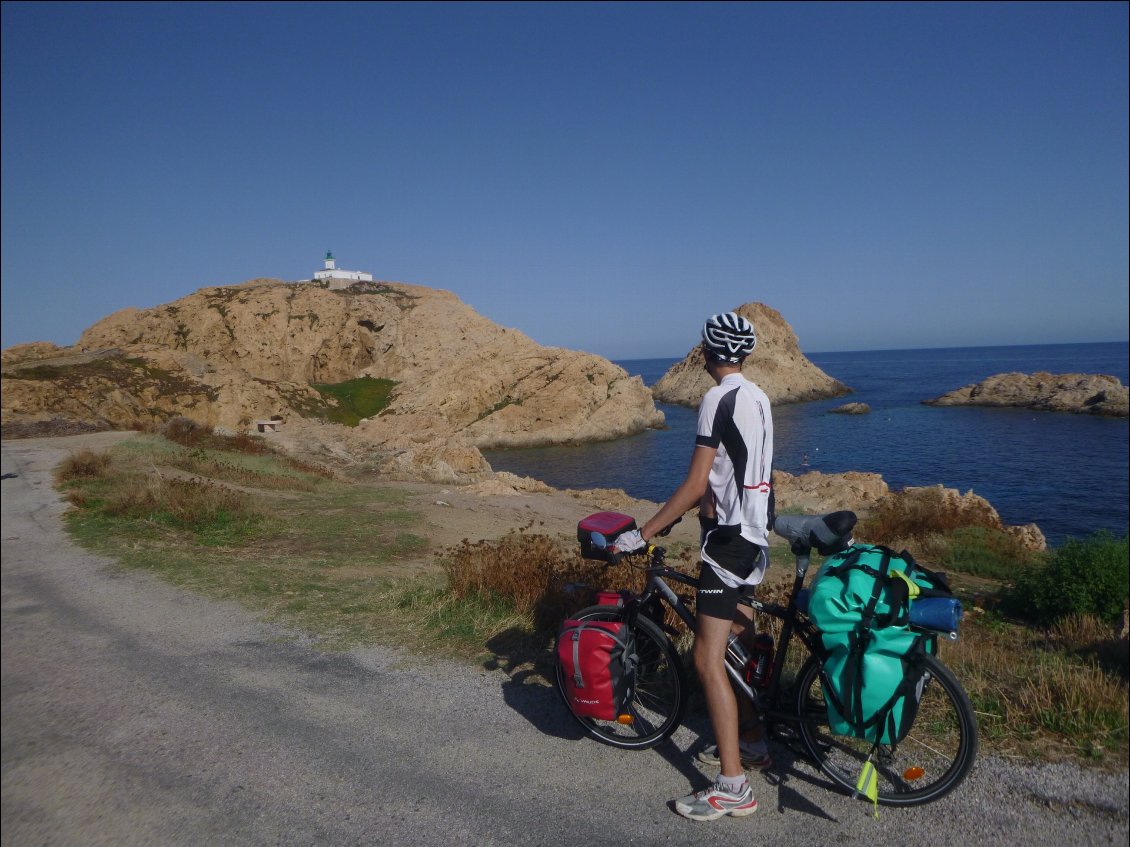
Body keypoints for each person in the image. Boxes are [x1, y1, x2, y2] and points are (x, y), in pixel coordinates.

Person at [613, 311, 774, 821]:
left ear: (708, 352)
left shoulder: (715, 399)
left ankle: (733, 788)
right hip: (754, 536)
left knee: (706, 660)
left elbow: (694, 481)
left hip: (727, 545)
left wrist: (644, 532)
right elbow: (744, 469)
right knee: (735, 646)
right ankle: (752, 742)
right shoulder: (759, 397)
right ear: (743, 354)